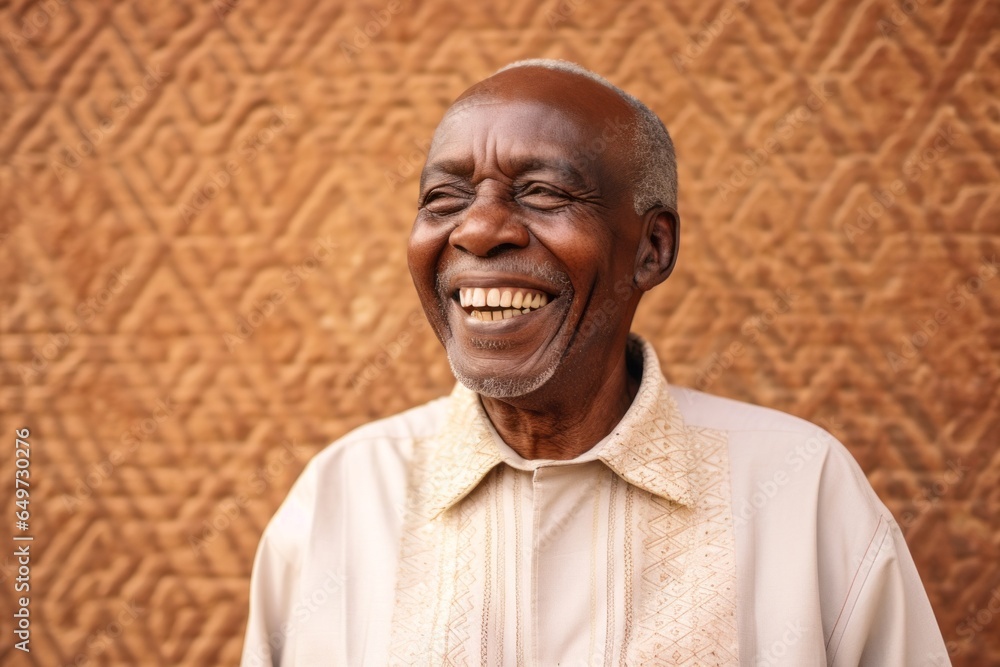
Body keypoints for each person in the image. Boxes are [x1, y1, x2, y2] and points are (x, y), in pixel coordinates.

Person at [242, 59, 949, 666]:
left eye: (543, 192)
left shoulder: (804, 489)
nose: (480, 228)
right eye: (444, 198)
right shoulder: (339, 498)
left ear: (652, 249)